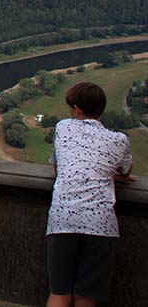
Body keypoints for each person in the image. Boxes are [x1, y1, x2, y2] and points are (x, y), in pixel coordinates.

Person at [46, 82, 134, 307]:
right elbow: (126, 170)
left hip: (63, 219)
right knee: (86, 297)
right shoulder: (118, 140)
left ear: (77, 109)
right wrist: (109, 175)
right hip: (99, 224)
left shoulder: (63, 127)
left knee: (59, 292)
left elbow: (58, 168)